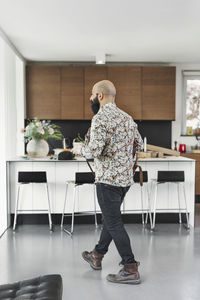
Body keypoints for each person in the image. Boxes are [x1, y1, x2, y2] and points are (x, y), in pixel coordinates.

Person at [72, 80, 143, 284]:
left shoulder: (100, 117)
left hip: (107, 180)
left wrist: (79, 150)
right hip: (124, 180)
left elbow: (94, 151)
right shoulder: (127, 118)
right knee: (110, 220)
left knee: (113, 222)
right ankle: (97, 254)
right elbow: (137, 143)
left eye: (92, 95)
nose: (90, 98)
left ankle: (130, 267)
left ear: (100, 96)